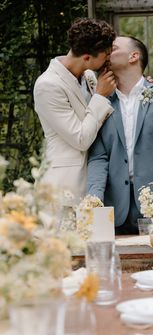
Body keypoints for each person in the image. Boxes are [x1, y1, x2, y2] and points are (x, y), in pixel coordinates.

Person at [87, 36, 153, 234]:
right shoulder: (101, 101)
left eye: (114, 48)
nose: (107, 52)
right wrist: (94, 200)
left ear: (133, 56)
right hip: (115, 209)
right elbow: (99, 157)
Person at [33, 18, 116, 203]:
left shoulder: (88, 75)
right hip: (63, 185)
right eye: (106, 54)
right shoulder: (48, 85)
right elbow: (80, 139)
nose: (109, 59)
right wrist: (100, 96)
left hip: (94, 179)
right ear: (87, 57)